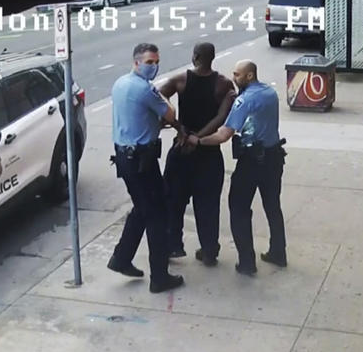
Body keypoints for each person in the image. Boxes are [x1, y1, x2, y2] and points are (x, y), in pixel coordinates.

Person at [185, 60, 287, 275]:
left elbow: (224, 134)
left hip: (251, 162)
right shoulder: (269, 93)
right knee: (272, 206)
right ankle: (279, 252)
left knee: (239, 208)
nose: (234, 78)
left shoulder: (245, 100)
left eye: (237, 74)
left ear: (249, 76)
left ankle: (247, 262)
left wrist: (198, 140)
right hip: (274, 158)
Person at [107, 42, 184, 293]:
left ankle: (121, 258)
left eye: (156, 62)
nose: (154, 66)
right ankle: (160, 277)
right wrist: (159, 96)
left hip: (125, 159)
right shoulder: (144, 89)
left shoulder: (120, 83)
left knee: (142, 209)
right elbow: (170, 114)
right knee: (157, 216)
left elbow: (137, 115)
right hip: (141, 162)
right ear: (136, 62)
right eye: (149, 62)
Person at [159, 43, 236, 266]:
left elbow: (158, 99)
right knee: (208, 205)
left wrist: (179, 128)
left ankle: (174, 245)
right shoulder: (223, 84)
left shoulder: (180, 80)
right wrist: (199, 138)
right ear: (213, 58)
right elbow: (221, 118)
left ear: (194, 57)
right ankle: (210, 250)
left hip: (181, 149)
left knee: (174, 200)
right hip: (209, 152)